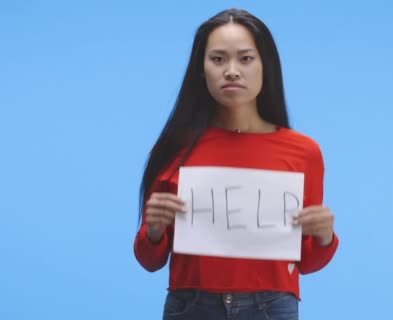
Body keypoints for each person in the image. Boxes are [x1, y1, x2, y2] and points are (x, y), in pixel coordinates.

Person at [134, 8, 339, 320]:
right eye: (218, 59)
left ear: (265, 66)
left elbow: (307, 263)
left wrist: (325, 236)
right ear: (201, 70)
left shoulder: (303, 152)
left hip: (272, 307)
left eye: (245, 58)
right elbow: (150, 260)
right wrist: (153, 230)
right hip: (191, 306)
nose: (231, 70)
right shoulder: (172, 150)